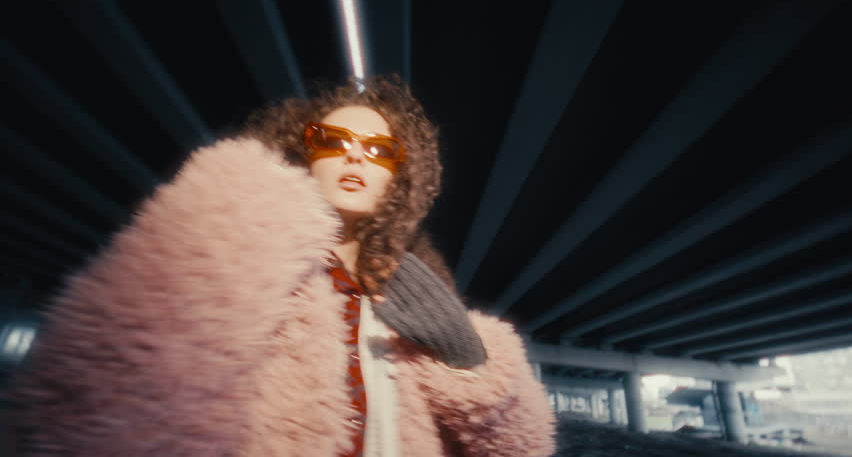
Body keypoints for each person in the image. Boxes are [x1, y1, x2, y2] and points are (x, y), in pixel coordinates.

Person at [3, 75, 556, 456]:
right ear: (303, 152)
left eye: (380, 149)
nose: (356, 154)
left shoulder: (414, 293)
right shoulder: (245, 258)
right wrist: (224, 230)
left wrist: (468, 359)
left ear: (398, 178)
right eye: (333, 140)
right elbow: (86, 414)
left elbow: (524, 448)